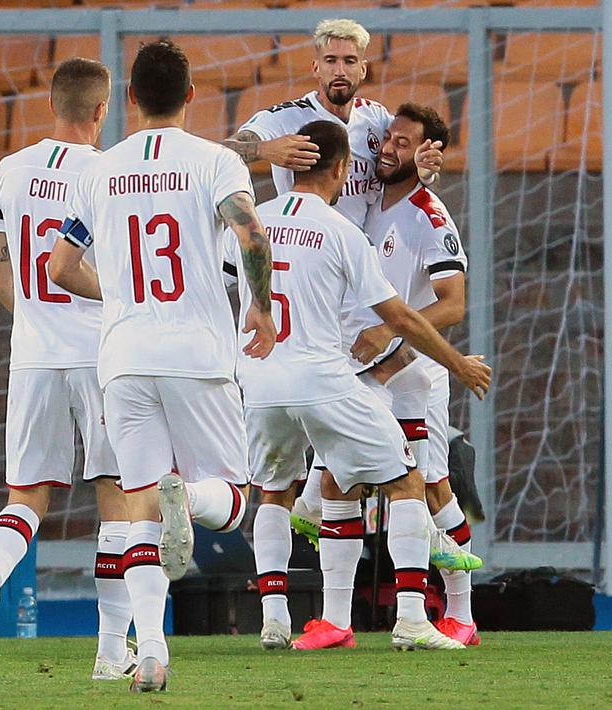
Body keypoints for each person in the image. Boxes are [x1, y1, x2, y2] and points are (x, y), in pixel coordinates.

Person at [48, 40, 277, 692]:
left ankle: (149, 650)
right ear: (191, 95)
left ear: (129, 98)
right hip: (196, 353)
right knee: (230, 502)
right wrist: (260, 307)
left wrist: (120, 296)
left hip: (123, 357)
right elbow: (250, 232)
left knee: (139, 510)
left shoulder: (99, 171)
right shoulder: (215, 161)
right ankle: (190, 496)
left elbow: (59, 266)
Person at [232, 120, 490, 653]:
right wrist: (460, 364)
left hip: (260, 380)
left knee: (275, 492)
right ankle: (412, 617)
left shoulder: (252, 223)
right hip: (327, 378)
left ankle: (275, 620)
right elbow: (402, 317)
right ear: (343, 168)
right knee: (407, 483)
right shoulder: (342, 230)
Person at [0, 58, 136, 682]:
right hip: (99, 352)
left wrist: (35, 319)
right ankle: (110, 653)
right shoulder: (108, 172)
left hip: (31, 354)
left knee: (25, 497)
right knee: (115, 494)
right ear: (102, 110)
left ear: (52, 104)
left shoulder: (9, 169)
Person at [344, 104, 481, 646]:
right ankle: (342, 615)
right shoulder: (372, 205)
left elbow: (454, 304)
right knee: (366, 478)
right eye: (389, 139)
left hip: (414, 369)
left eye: (403, 143)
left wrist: (390, 332)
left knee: (431, 485)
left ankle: (461, 613)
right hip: (372, 367)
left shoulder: (430, 216)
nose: (388, 149)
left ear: (427, 151)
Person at [223, 18, 443, 226]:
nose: (339, 71)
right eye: (330, 60)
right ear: (316, 68)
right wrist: (264, 149)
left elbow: (411, 174)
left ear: (363, 69)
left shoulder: (377, 118)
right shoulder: (285, 118)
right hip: (306, 241)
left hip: (363, 243)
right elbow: (222, 152)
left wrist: (427, 174)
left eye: (349, 61)